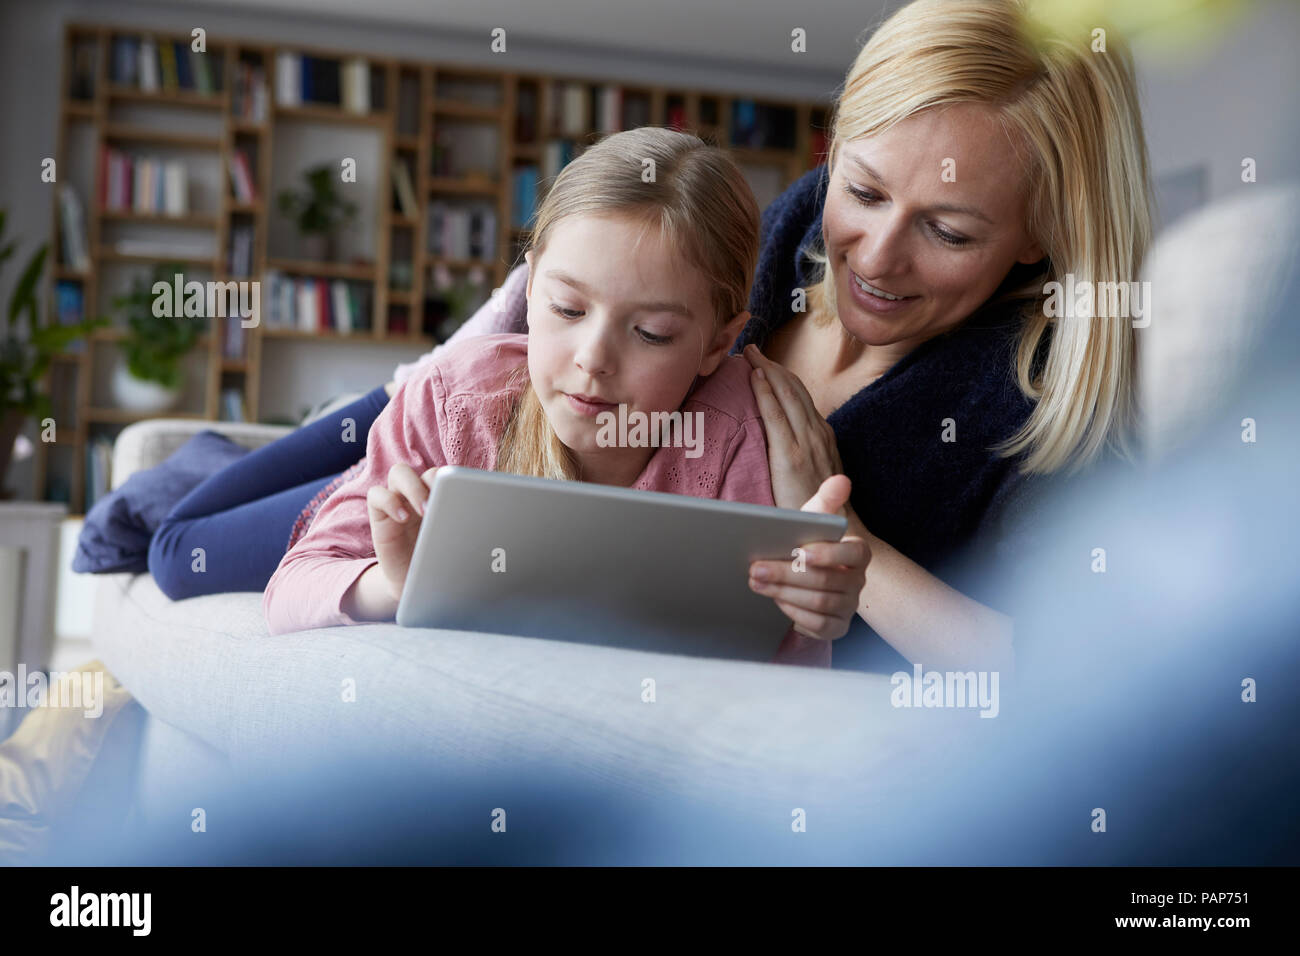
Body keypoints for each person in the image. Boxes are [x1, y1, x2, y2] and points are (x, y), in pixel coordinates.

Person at [434, 0, 1155, 674]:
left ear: (1043, 232)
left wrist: (846, 539)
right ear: (834, 150)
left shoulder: (1044, 407)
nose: (873, 258)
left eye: (948, 231)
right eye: (864, 192)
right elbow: (462, 365)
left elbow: (1076, 678)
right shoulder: (798, 222)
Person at [262, 126, 870, 666]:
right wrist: (397, 583)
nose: (593, 359)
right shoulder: (454, 398)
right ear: (528, 295)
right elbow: (291, 589)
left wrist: (813, 615)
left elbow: (782, 668)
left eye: (651, 333)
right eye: (566, 308)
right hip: (345, 475)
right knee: (190, 549)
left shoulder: (743, 438)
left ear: (717, 345)